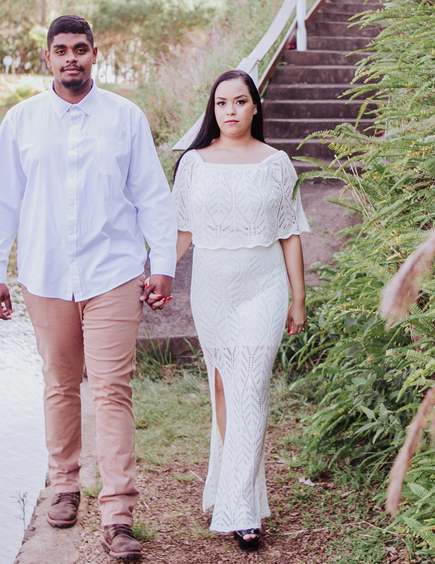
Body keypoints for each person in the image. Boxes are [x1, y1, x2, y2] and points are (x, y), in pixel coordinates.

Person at [0, 14, 177, 561]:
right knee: (61, 385)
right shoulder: (21, 121)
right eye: (61, 49)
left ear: (95, 54)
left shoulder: (125, 118)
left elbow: (152, 196)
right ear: (48, 57)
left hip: (113, 272)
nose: (72, 58)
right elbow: (2, 200)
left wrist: (162, 263)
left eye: (81, 49)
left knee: (112, 389)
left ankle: (118, 514)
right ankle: (64, 485)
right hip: (45, 275)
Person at [171, 69, 309, 552]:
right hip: (212, 292)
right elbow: (182, 231)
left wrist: (298, 298)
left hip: (264, 289)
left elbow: (290, 233)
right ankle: (231, 488)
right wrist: (157, 275)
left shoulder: (277, 164)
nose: (230, 110)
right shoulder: (193, 164)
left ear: (255, 106)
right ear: (213, 110)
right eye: (221, 103)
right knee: (225, 390)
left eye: (239, 101)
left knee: (251, 388)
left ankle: (243, 510)